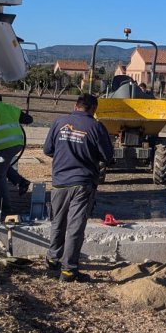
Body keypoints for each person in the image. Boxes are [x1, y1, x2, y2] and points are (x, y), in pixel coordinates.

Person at [43, 94, 115, 283]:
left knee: (57, 221)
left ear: (76, 106)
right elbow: (107, 156)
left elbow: (47, 150)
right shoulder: (96, 127)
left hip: (59, 181)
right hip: (82, 183)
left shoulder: (59, 122)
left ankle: (52, 259)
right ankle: (68, 270)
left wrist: (65, 154)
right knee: (75, 226)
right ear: (93, 109)